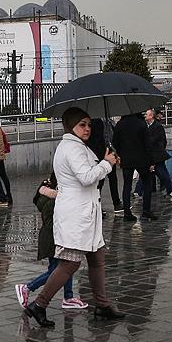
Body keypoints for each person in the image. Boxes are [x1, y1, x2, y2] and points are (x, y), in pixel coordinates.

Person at [27, 107, 124, 326]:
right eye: (82, 124)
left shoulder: (79, 147)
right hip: (76, 215)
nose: (87, 128)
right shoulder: (72, 149)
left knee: (97, 260)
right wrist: (106, 164)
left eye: (89, 124)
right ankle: (39, 305)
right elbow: (87, 178)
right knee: (69, 264)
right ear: (71, 126)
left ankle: (102, 305)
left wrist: (106, 160)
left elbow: (91, 175)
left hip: (87, 214)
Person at [14, 172, 88, 311]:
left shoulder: (48, 194)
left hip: (54, 238)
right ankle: (28, 287)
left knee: (67, 265)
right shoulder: (54, 201)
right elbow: (51, 224)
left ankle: (68, 297)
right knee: (58, 271)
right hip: (53, 240)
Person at [113, 113, 157, 221]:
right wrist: (152, 160)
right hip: (142, 159)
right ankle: (146, 211)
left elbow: (115, 143)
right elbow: (148, 144)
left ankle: (127, 214)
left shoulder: (119, 124)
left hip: (126, 160)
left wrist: (120, 154)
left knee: (127, 186)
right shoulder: (141, 124)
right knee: (147, 183)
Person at [90, 118, 121, 211]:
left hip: (110, 154)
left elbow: (113, 138)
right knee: (100, 182)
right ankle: (97, 205)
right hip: (99, 155)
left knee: (113, 179)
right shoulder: (95, 122)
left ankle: (116, 203)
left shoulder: (110, 123)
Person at [144, 109, 172, 197]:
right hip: (152, 155)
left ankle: (171, 190)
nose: (145, 116)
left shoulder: (157, 126)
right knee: (150, 173)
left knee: (162, 173)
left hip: (157, 154)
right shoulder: (147, 126)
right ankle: (143, 191)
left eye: (146, 114)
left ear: (151, 116)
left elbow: (157, 140)